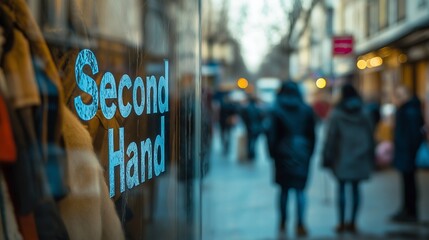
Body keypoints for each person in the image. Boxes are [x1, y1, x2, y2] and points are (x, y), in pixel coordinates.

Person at [322, 83, 374, 234]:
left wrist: (326, 157)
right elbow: (371, 135)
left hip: (341, 156)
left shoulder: (337, 114)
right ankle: (353, 222)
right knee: (356, 189)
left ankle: (341, 222)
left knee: (342, 190)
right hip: (360, 155)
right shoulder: (364, 112)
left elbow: (331, 138)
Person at [267, 81, 315, 236]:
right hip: (302, 152)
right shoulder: (306, 110)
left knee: (283, 190)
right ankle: (300, 223)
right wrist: (309, 152)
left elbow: (271, 135)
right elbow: (312, 135)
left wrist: (273, 154)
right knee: (300, 190)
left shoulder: (276, 109)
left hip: (282, 153)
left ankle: (283, 222)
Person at [391, 85, 424, 223]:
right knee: (407, 182)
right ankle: (407, 210)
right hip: (405, 152)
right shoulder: (405, 110)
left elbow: (413, 135)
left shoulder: (409, 111)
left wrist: (409, 150)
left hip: (408, 153)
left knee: (409, 183)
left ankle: (411, 212)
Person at [240, 95, 262, 161]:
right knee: (254, 141)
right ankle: (252, 153)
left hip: (249, 127)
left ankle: (250, 153)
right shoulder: (257, 109)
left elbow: (244, 118)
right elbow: (260, 117)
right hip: (256, 127)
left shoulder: (247, 109)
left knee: (249, 141)